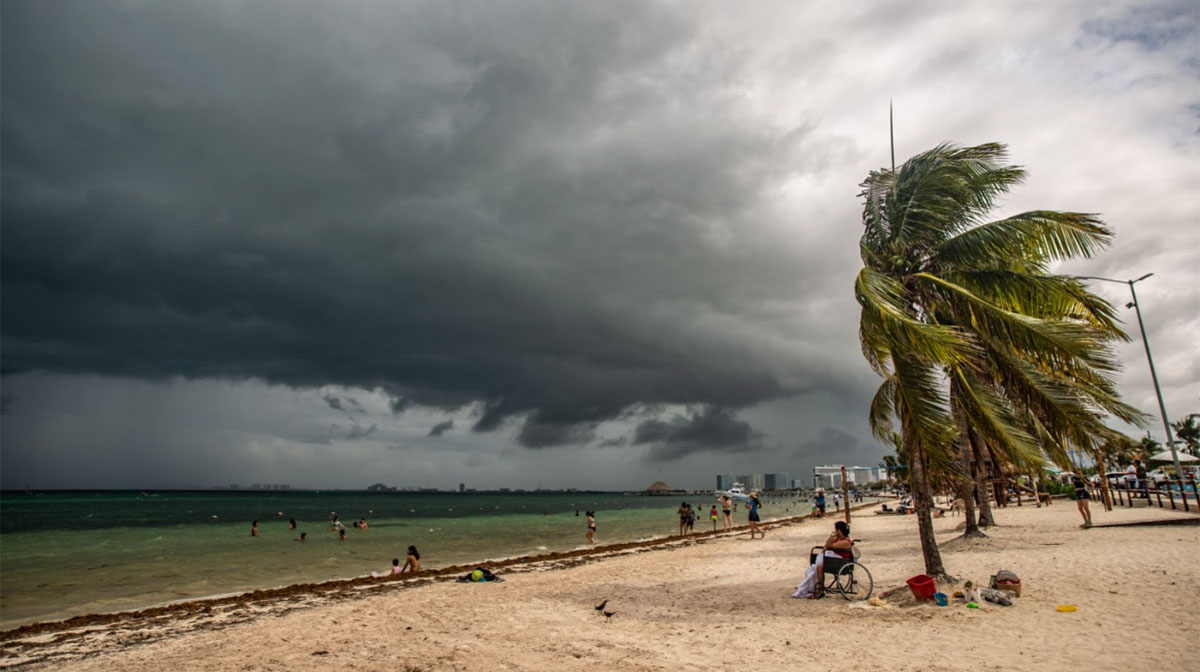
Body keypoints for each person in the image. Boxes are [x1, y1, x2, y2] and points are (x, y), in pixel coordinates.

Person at [792, 521, 853, 599]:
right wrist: (831, 538)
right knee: (815, 568)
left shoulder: (845, 542)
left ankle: (819, 589)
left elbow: (829, 546)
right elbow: (826, 546)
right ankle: (809, 587)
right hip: (834, 560)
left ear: (839, 530)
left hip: (839, 563)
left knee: (818, 566)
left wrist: (831, 536)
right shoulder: (838, 539)